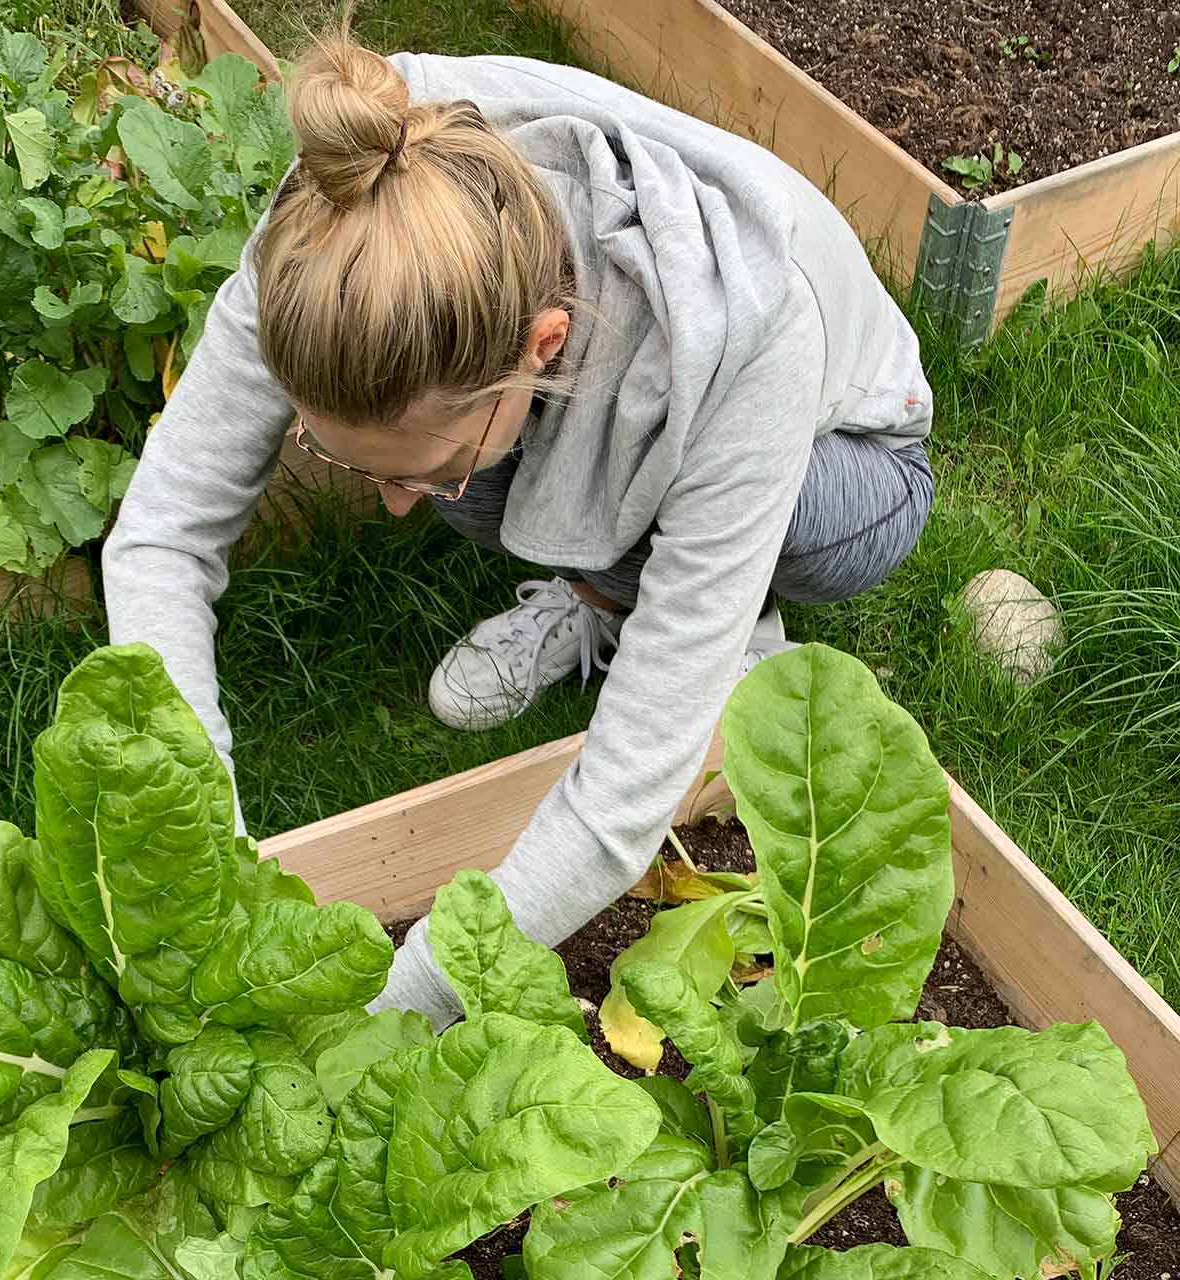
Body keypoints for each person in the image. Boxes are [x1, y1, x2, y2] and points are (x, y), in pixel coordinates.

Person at [102, 31, 934, 1026]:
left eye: (408, 471)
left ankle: (716, 624)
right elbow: (159, 535)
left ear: (542, 347)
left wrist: (399, 1007)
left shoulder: (746, 326)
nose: (394, 505)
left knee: (743, 527)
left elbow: (620, 809)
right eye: (347, 459)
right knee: (471, 475)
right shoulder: (352, 211)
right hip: (619, 404)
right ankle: (608, 588)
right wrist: (207, 846)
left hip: (849, 462)